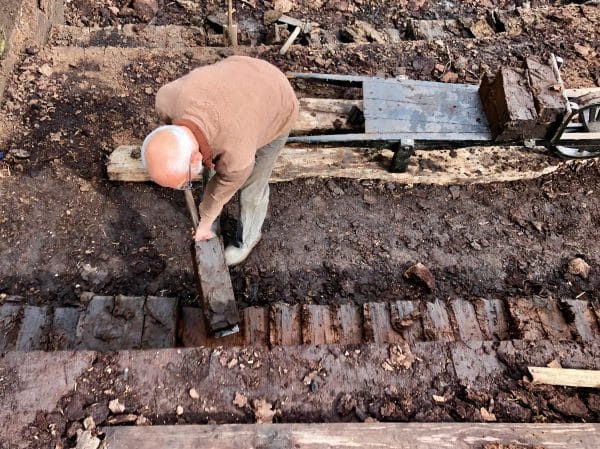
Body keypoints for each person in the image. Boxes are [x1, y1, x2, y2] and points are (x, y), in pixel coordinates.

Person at [141, 56, 299, 266]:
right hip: (240, 76)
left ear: (196, 157)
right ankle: (212, 220)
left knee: (252, 187)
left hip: (277, 101)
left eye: (184, 183)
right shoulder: (167, 99)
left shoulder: (236, 155)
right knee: (212, 170)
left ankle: (248, 239)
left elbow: (224, 183)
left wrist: (203, 224)